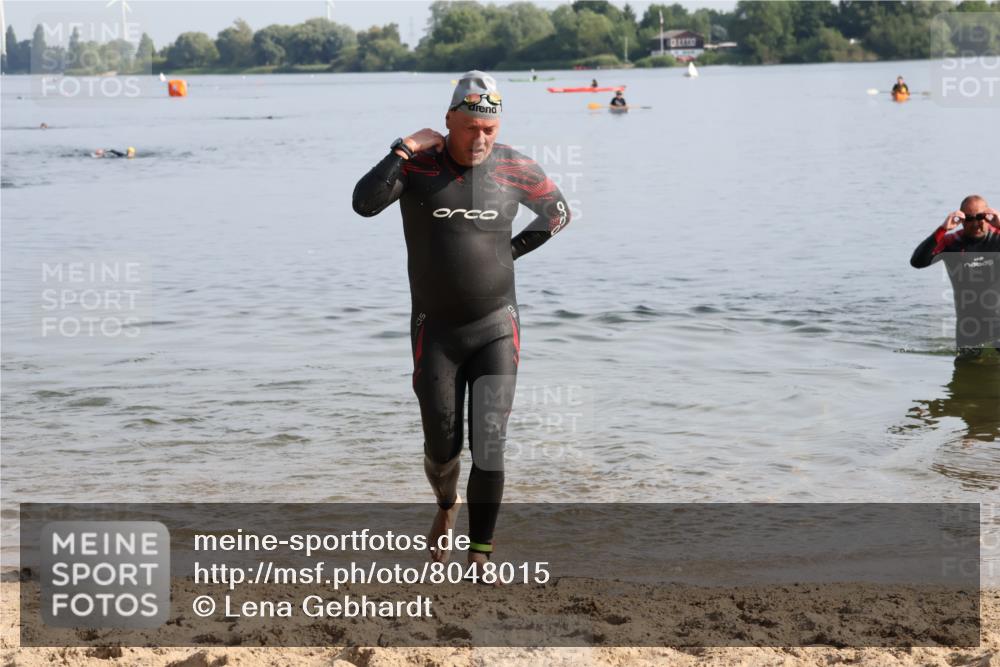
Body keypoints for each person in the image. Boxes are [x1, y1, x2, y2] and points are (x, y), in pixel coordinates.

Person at [352, 71, 571, 577]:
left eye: (489, 129)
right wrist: (403, 147)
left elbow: (558, 213)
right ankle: (446, 504)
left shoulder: (514, 167)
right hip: (437, 332)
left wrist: (509, 254)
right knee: (442, 448)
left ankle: (480, 556)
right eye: (470, 127)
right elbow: (364, 204)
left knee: (490, 444)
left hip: (496, 325)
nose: (479, 139)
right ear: (449, 120)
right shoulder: (419, 167)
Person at [911, 195, 1000, 359]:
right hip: (969, 329)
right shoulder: (951, 242)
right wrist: (942, 229)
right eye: (970, 218)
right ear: (961, 220)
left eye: (980, 217)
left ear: (989, 216)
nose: (976, 223)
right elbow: (917, 262)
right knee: (966, 371)